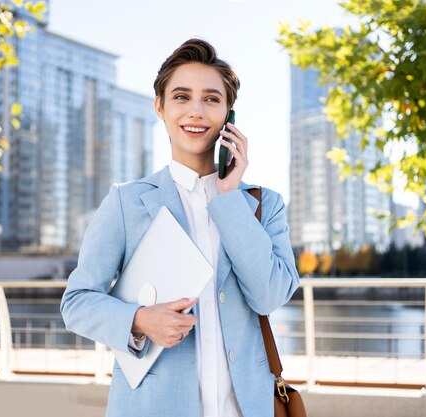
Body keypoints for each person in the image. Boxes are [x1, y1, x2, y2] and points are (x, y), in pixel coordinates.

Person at [61, 38, 300, 417]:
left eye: (211, 99)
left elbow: (269, 297)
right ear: (160, 107)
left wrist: (227, 196)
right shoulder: (127, 202)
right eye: (181, 97)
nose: (196, 112)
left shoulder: (263, 204)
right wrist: (139, 320)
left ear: (228, 114)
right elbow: (76, 303)